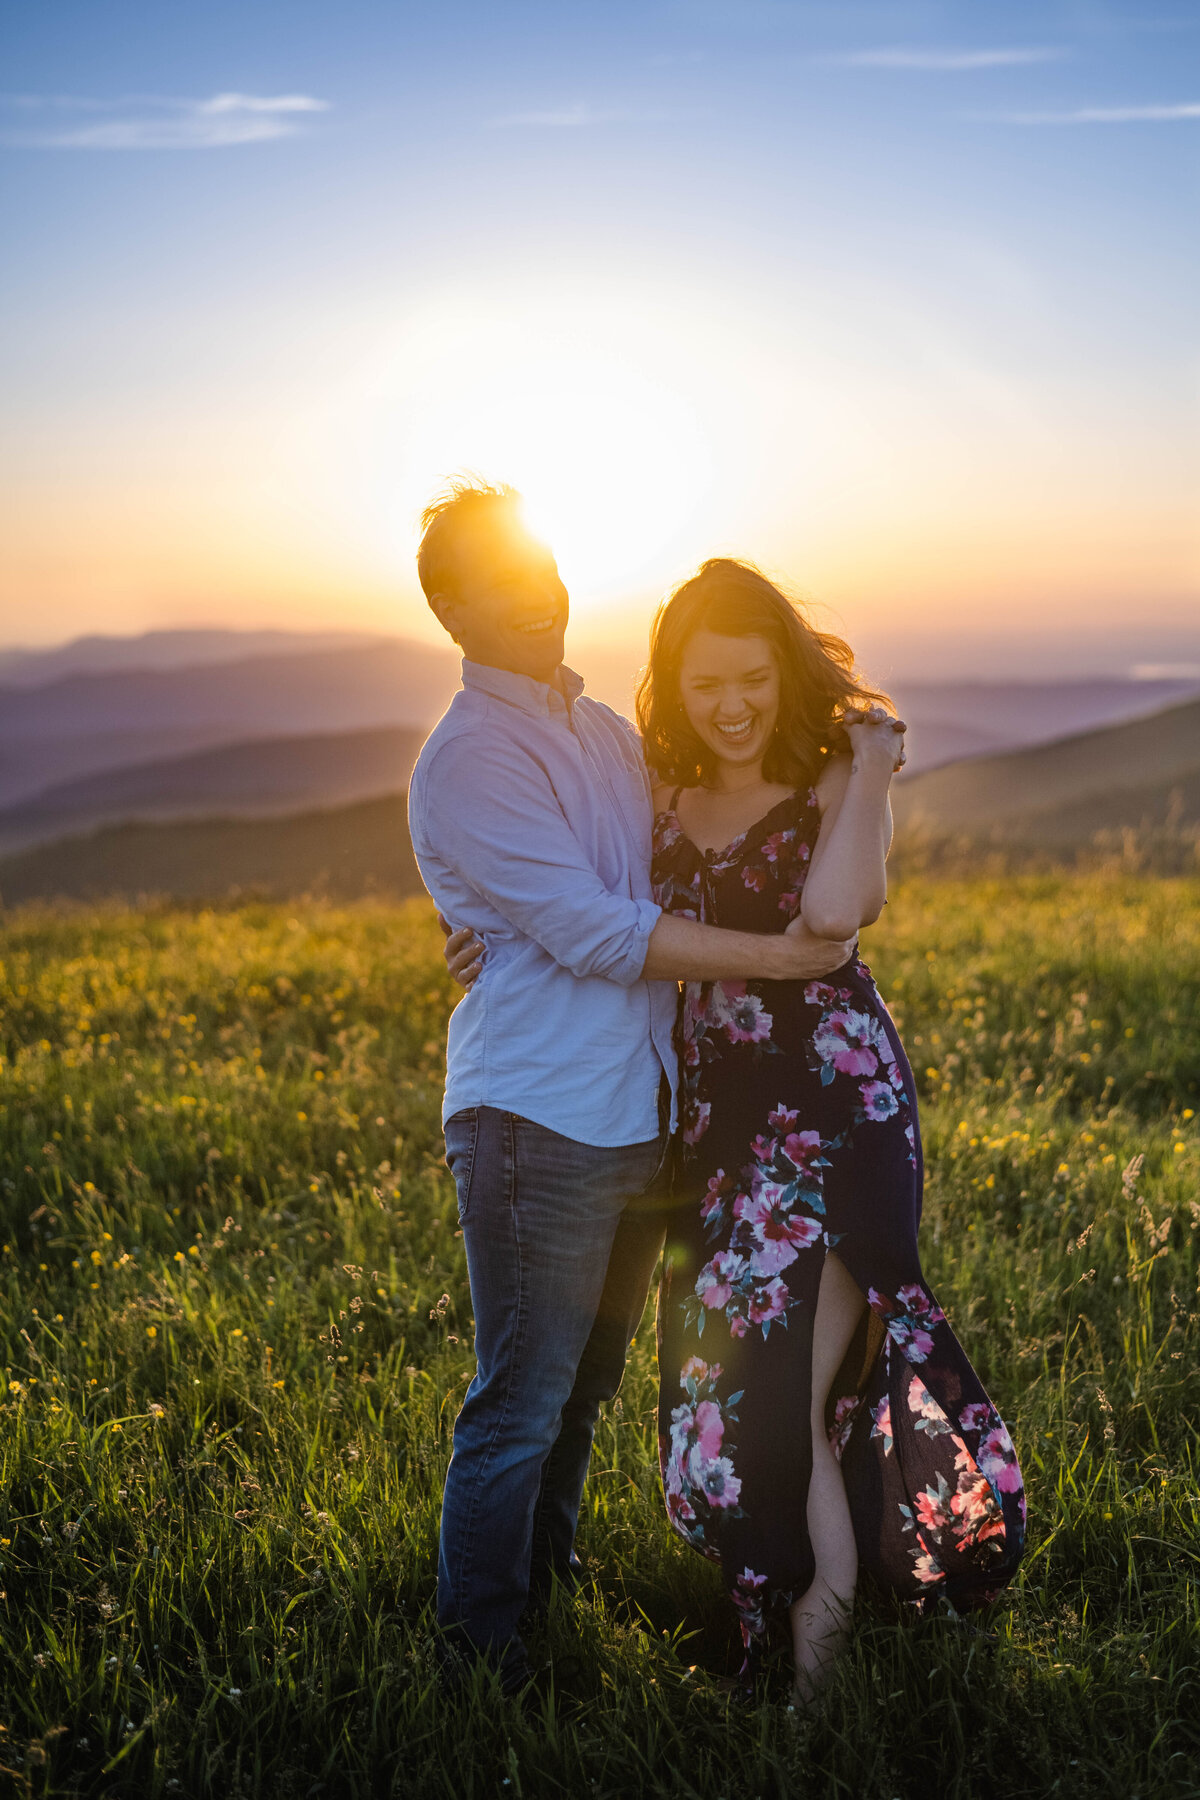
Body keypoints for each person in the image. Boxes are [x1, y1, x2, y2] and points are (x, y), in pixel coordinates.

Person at [407, 481, 857, 1693]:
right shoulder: (470, 758)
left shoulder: (601, 731)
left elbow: (676, 854)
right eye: (502, 589)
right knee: (522, 1396)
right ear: (449, 609)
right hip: (537, 1116)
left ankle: (539, 1598)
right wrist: (786, 962)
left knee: (585, 1388)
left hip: (639, 1113)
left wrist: (866, 758)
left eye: (545, 572)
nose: (540, 602)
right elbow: (599, 929)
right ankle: (480, 1658)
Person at [640, 559, 1026, 1704]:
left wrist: (866, 764)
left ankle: (808, 1695)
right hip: (714, 1135)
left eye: (753, 678)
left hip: (831, 1121)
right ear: (675, 683)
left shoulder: (830, 778)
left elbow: (835, 913)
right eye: (706, 682)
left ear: (786, 672)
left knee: (783, 1406)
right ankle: (782, 1634)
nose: (733, 704)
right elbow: (594, 910)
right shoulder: (655, 790)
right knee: (730, 1404)